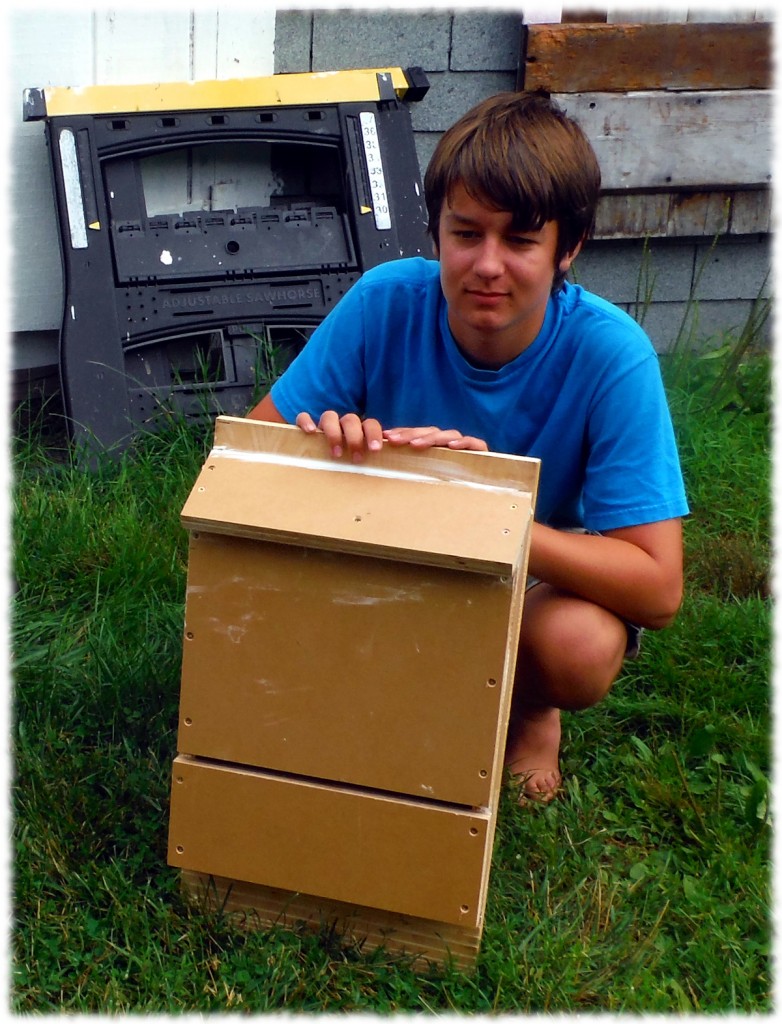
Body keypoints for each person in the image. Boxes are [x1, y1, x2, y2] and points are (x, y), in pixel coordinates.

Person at [246, 91, 689, 803]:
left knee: (583, 647)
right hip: (388, 555)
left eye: (519, 240)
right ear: (436, 233)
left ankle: (530, 707)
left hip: (528, 584)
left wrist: (484, 506)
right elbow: (240, 466)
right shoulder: (382, 300)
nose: (487, 265)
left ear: (566, 248)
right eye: (466, 233)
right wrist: (339, 451)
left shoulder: (613, 354)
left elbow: (659, 589)